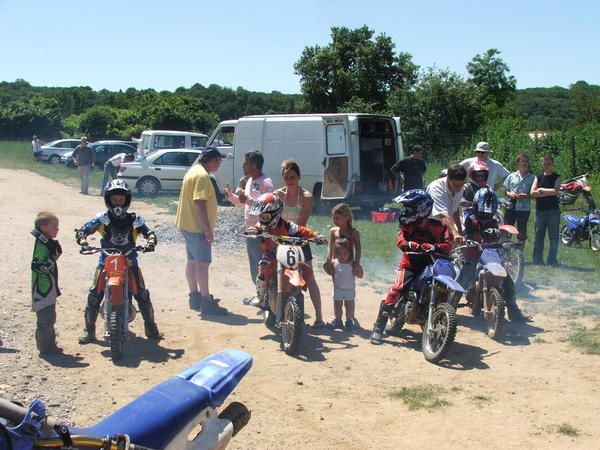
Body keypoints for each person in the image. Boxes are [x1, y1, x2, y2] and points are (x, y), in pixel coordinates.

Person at [75, 180, 161, 344]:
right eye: (114, 200)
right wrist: (83, 240)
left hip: (130, 261)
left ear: (127, 200)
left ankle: (151, 327)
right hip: (106, 260)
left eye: (121, 200)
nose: (118, 203)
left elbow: (150, 233)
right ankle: (89, 330)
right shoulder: (102, 219)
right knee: (94, 295)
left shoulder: (135, 219)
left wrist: (150, 242)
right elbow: (83, 229)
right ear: (108, 200)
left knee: (142, 294)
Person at [370, 190, 452, 344]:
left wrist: (435, 247)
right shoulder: (408, 226)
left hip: (432, 263)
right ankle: (378, 328)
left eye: (409, 208)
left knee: (444, 289)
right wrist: (409, 244)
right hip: (410, 264)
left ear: (421, 209)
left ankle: (435, 318)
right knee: (397, 290)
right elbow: (400, 240)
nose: (405, 212)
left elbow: (447, 244)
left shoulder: (439, 226)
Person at [246, 193, 326, 324]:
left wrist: (316, 236)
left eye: (265, 216)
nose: (262, 219)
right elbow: (255, 228)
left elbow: (304, 231)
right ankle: (261, 296)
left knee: (307, 271)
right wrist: (252, 231)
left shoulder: (289, 227)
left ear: (275, 214)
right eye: (260, 216)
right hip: (271, 254)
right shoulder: (262, 227)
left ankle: (298, 298)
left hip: (288, 254)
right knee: (263, 265)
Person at [457, 187, 526, 321]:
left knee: (508, 281)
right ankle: (449, 308)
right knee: (463, 280)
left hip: (490, 254)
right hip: (473, 254)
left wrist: (502, 240)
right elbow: (465, 233)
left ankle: (514, 310)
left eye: (489, 210)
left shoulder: (495, 219)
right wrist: (468, 238)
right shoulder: (469, 217)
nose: (485, 214)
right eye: (483, 211)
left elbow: (499, 235)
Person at [175, 147, 228, 315]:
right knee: (203, 264)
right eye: (218, 161)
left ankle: (194, 296)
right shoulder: (203, 176)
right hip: (197, 227)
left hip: (187, 224)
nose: (219, 164)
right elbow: (199, 202)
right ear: (212, 161)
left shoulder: (193, 171)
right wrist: (207, 230)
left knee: (192, 261)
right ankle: (206, 301)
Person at [274, 159, 325, 328]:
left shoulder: (306, 197)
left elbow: (301, 224)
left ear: (298, 177)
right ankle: (278, 314)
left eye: (293, 177)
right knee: (279, 275)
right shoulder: (278, 195)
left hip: (299, 239)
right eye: (286, 177)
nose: (289, 180)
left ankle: (319, 317)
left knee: (309, 277)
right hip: (282, 240)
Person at [224, 151, 274, 291]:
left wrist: (248, 200)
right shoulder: (249, 181)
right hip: (250, 230)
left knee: (263, 262)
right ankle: (260, 292)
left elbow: (269, 205)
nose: (242, 166)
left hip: (262, 231)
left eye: (245, 163)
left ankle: (269, 294)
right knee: (254, 262)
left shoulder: (266, 183)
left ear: (254, 165)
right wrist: (230, 196)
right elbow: (244, 203)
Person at [324, 203, 363, 328]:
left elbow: (358, 249)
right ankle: (337, 317)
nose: (335, 221)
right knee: (337, 292)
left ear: (346, 217)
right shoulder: (333, 231)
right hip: (336, 265)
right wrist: (328, 260)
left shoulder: (353, 232)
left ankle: (350, 318)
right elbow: (330, 247)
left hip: (349, 266)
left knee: (349, 293)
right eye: (334, 218)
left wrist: (356, 263)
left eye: (338, 218)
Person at [31, 211, 63, 355]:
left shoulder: (47, 242)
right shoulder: (41, 244)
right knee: (45, 320)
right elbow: (37, 266)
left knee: (50, 318)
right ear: (43, 228)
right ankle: (46, 348)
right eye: (54, 226)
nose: (57, 229)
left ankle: (48, 345)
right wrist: (53, 259)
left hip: (48, 288)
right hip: (42, 289)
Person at [530, 154, 561, 266]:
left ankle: (552, 260)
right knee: (539, 236)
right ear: (541, 164)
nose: (546, 166)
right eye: (544, 164)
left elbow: (556, 191)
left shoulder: (556, 177)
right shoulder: (537, 177)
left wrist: (541, 190)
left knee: (553, 237)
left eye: (548, 164)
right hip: (540, 211)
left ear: (552, 163)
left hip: (553, 211)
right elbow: (532, 193)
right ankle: (537, 259)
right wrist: (547, 193)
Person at [328, 238, 363, 331]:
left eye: (345, 254)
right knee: (337, 305)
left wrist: (358, 272)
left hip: (349, 289)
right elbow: (327, 268)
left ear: (350, 253)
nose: (342, 256)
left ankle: (349, 321)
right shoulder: (334, 262)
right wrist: (328, 266)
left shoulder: (353, 264)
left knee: (349, 306)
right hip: (338, 289)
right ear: (335, 253)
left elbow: (361, 275)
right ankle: (338, 320)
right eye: (339, 253)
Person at [426, 164, 467, 242]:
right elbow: (443, 214)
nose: (458, 188)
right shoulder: (436, 188)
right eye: (455, 185)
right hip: (430, 225)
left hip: (446, 225)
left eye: (461, 185)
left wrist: (460, 231)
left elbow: (454, 210)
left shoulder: (460, 188)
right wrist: (455, 234)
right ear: (448, 178)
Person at [503, 154, 535, 242]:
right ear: (517, 163)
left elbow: (535, 195)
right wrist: (510, 194)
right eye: (522, 161)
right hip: (511, 205)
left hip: (524, 207)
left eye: (526, 161)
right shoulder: (511, 176)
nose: (524, 163)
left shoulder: (532, 178)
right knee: (507, 228)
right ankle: (506, 247)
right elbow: (505, 190)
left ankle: (520, 250)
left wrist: (526, 196)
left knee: (522, 230)